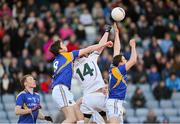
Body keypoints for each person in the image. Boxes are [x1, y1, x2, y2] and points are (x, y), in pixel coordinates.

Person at [49, 37, 113, 123]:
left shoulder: (58, 61)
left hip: (66, 91)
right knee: (72, 118)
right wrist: (104, 44)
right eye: (62, 45)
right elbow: (89, 49)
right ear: (60, 50)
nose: (65, 45)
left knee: (77, 117)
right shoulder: (68, 56)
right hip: (62, 88)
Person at [73, 25, 111, 123]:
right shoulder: (90, 58)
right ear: (85, 55)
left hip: (87, 99)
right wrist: (107, 31)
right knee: (112, 118)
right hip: (99, 95)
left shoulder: (74, 70)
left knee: (85, 121)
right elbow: (101, 45)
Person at [106, 22, 137, 124]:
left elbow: (116, 49)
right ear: (120, 63)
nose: (126, 60)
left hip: (116, 102)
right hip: (114, 101)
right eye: (124, 59)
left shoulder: (114, 68)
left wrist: (117, 33)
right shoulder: (119, 70)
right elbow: (133, 60)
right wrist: (133, 46)